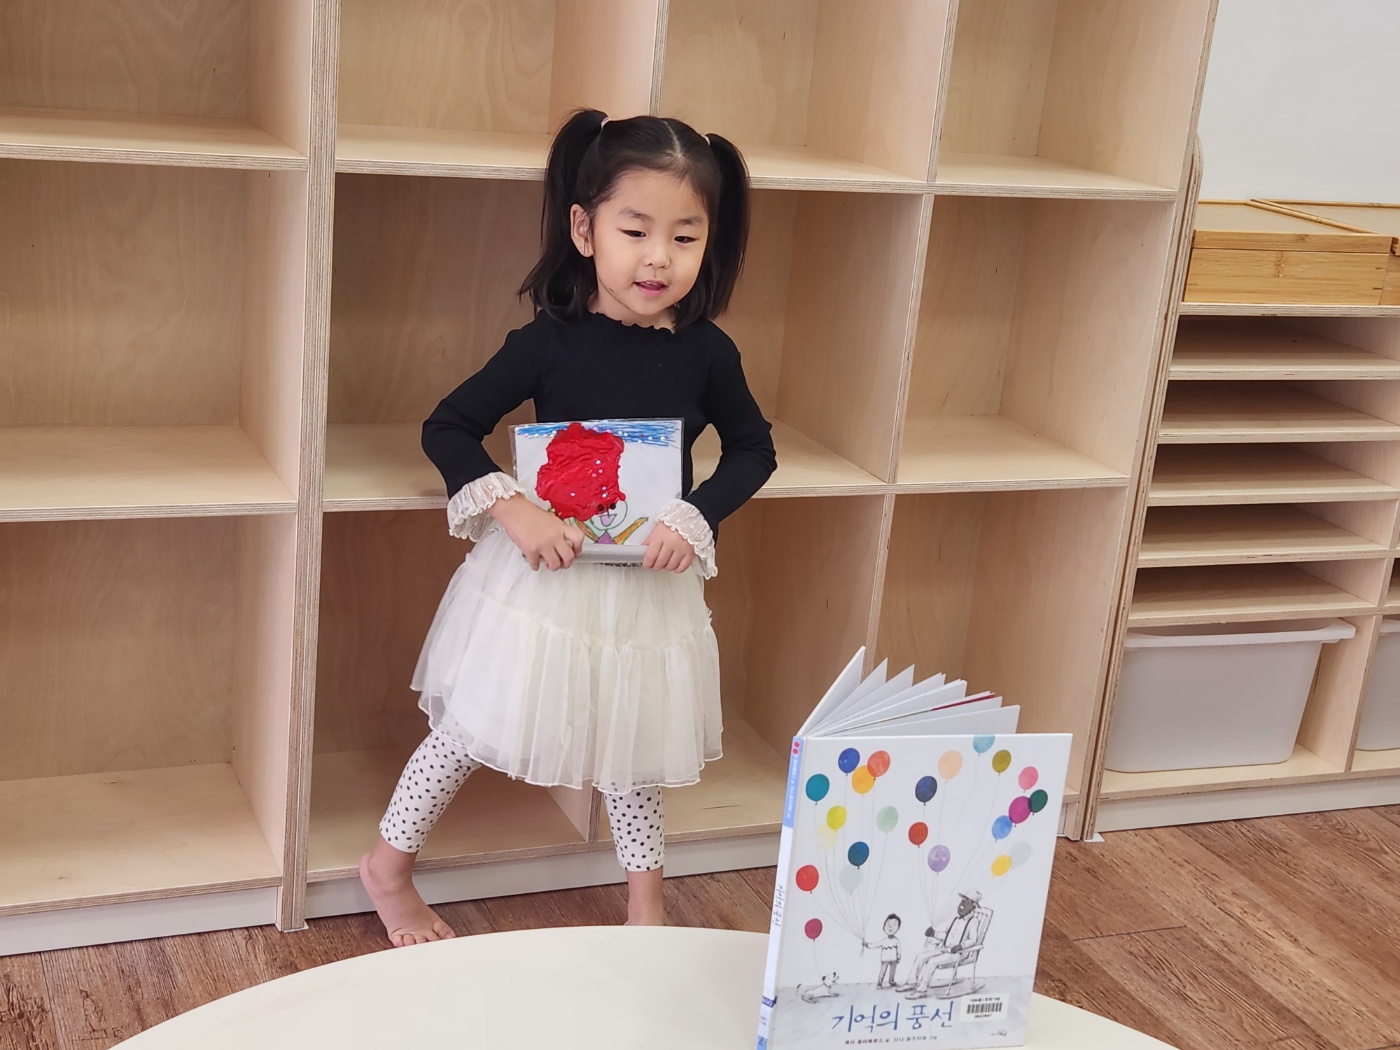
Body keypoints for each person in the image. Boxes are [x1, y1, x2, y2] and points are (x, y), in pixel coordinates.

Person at [357, 109, 776, 947]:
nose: (659, 258)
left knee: (633, 749)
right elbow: (448, 427)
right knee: (466, 730)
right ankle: (387, 867)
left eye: (685, 237)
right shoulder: (547, 342)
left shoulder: (708, 353)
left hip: (648, 587)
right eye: (636, 230)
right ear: (585, 230)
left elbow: (753, 450)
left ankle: (645, 906)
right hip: (543, 584)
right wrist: (511, 507)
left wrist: (697, 515)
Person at [900, 892, 991, 997]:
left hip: (959, 953)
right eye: (963, 901)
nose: (963, 904)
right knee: (921, 957)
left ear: (973, 907)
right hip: (945, 949)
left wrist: (960, 946)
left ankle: (922, 989)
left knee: (932, 961)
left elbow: (973, 940)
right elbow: (947, 936)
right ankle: (911, 982)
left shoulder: (973, 921)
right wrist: (934, 933)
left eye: (967, 902)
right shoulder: (955, 919)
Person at [864, 913, 904, 988]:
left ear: (898, 927)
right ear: (884, 927)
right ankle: (879, 982)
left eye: (894, 924)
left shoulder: (896, 941)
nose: (890, 926)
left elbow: (899, 949)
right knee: (883, 971)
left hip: (894, 959)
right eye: (888, 924)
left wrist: (899, 957)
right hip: (885, 959)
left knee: (892, 971)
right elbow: (875, 944)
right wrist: (867, 945)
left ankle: (891, 981)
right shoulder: (884, 940)